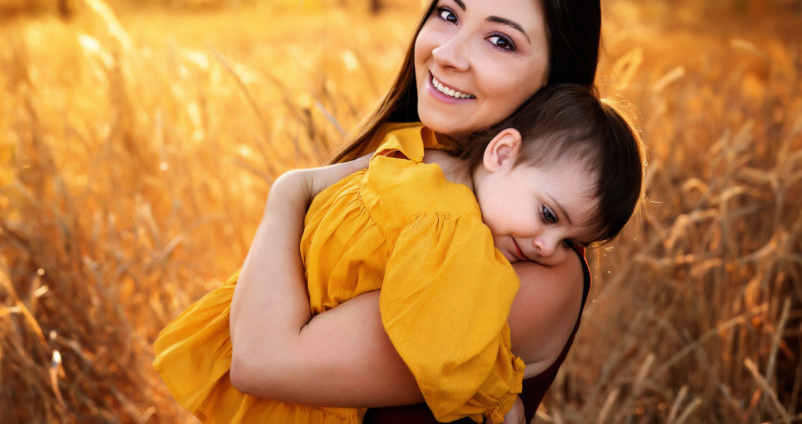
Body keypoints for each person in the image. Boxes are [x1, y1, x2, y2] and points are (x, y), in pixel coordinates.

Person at [201, 0, 611, 423]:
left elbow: (261, 361)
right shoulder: (411, 169)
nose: (448, 53)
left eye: (500, 41)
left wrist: (290, 189)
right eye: (448, 15)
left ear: (555, 86)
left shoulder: (539, 267)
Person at [154, 83, 643, 423]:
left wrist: (289, 190)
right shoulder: (442, 209)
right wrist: (495, 396)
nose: (545, 248)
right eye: (549, 216)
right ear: (501, 153)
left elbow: (443, 345)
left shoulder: (418, 160)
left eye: (571, 242)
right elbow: (448, 355)